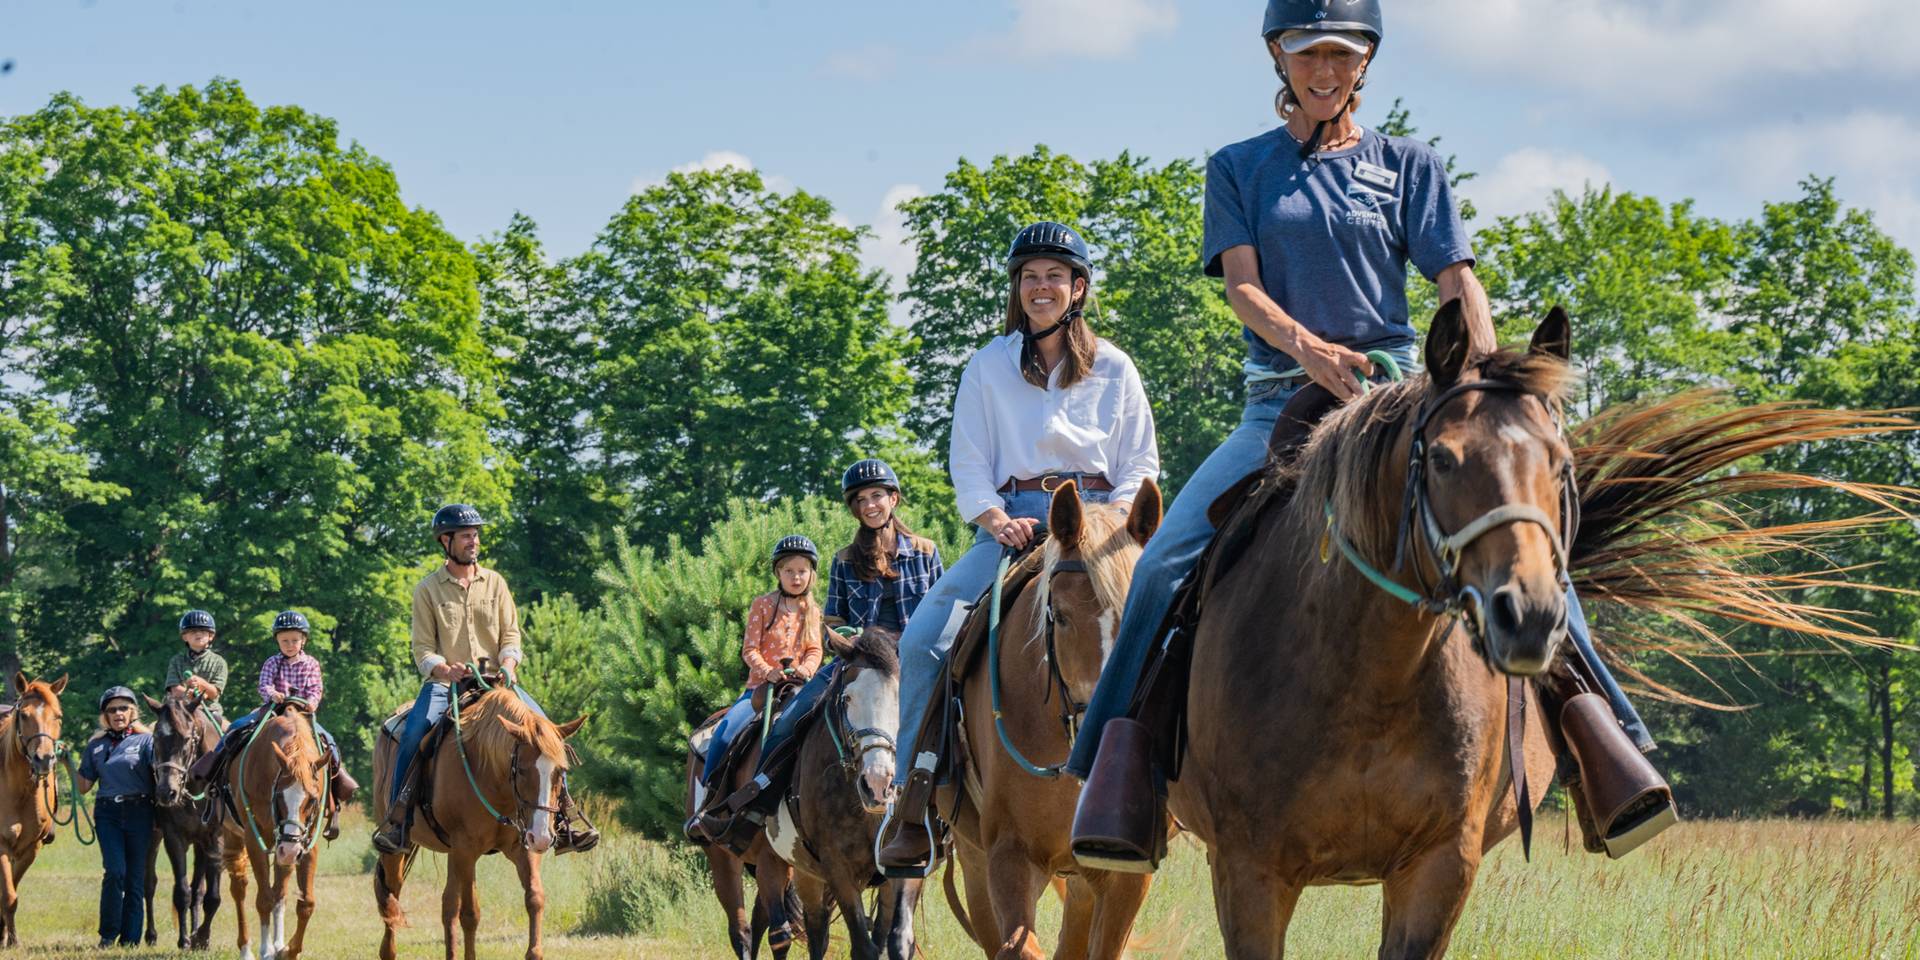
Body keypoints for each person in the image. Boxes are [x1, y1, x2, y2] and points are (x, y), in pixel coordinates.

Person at [1067, 0, 1674, 867]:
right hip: (1280, 397)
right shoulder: (1239, 168)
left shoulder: (1411, 167)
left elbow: (1456, 282)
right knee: (1165, 563)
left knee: (1527, 556)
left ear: (1365, 64)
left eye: (1340, 56)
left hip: (1398, 393)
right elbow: (1242, 289)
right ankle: (1115, 779)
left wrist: (1489, 384)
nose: (1323, 70)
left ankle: (1603, 748)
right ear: (1279, 58)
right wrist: (1308, 348)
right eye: (1306, 53)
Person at [874, 221, 1161, 875]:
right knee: (923, 640)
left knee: (1174, 625)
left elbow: (1140, 462)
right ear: (1017, 289)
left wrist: (1108, 525)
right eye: (1029, 276)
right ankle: (911, 803)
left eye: (1054, 276)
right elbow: (969, 460)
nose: (1041, 287)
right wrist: (994, 517)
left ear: (1078, 287)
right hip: (1015, 525)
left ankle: (1184, 792)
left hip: (1102, 529)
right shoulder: (987, 366)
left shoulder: (1115, 369)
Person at [690, 460, 943, 839]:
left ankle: (962, 814)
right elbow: (832, 621)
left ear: (893, 498)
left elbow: (940, 612)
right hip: (861, 665)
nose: (870, 505)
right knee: (790, 719)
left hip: (913, 666)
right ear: (854, 508)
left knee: (960, 718)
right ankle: (756, 809)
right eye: (860, 500)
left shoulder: (926, 551)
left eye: (877, 496)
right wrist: (849, 639)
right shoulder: (844, 559)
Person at [371, 504, 598, 855]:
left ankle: (565, 819)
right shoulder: (427, 590)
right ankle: (399, 819)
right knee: (415, 731)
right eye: (465, 536)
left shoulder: (495, 582)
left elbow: (511, 635)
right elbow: (422, 648)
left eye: (475, 535)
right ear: (445, 541)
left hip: (498, 684)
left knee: (548, 735)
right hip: (446, 685)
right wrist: (445, 669)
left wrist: (509, 662)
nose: (473, 541)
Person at [191, 610, 358, 840]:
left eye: (294, 640)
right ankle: (215, 777)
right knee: (236, 728)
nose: (289, 644)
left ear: (303, 640)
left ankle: (336, 790)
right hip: (271, 710)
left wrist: (310, 703)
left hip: (302, 713)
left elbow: (316, 689)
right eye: (284, 640)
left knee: (327, 740)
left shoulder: (311, 663)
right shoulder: (272, 662)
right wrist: (273, 693)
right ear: (277, 641)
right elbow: (264, 685)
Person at [74, 686, 155, 948]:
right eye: (112, 709)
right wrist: (65, 762)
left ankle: (130, 940)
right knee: (115, 871)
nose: (118, 713)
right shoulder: (96, 746)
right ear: (105, 716)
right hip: (107, 813)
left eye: (123, 708)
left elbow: (162, 774)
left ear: (132, 711)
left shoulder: (147, 741)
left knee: (134, 877)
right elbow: (84, 786)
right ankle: (108, 935)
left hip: (140, 812)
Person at [164, 608, 229, 727]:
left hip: (209, 712)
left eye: (202, 631)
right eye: (193, 631)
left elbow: (214, 693)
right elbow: (174, 690)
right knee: (156, 730)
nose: (198, 634)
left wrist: (201, 683)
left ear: (211, 636)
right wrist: (189, 694)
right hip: (180, 710)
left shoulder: (219, 662)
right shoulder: (176, 660)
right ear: (184, 637)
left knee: (232, 735)